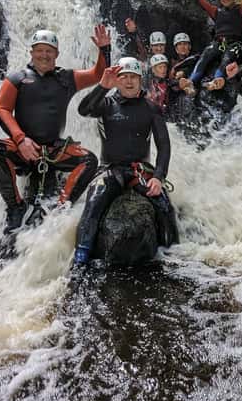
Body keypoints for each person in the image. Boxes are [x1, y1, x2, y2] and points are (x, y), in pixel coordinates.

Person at [0, 25, 111, 235]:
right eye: (40, 50)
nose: (44, 55)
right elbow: (3, 109)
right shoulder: (17, 79)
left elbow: (99, 74)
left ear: (57, 54)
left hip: (53, 150)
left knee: (89, 160)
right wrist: (21, 140)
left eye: (49, 50)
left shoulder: (67, 78)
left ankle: (59, 208)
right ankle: (16, 207)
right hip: (23, 147)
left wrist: (104, 50)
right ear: (32, 52)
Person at [73, 57, 176, 265]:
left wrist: (158, 177)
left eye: (133, 77)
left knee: (165, 206)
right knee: (93, 203)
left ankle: (174, 254)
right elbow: (83, 110)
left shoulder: (151, 108)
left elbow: (164, 146)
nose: (128, 82)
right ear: (116, 80)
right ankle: (81, 257)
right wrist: (102, 86)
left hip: (140, 169)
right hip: (110, 169)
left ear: (140, 80)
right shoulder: (106, 105)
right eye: (124, 77)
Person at [184, 0, 242, 92]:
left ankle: (217, 79)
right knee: (206, 55)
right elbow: (201, 2)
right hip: (219, 42)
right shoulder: (216, 12)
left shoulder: (239, 9)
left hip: (236, 43)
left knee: (227, 58)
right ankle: (191, 81)